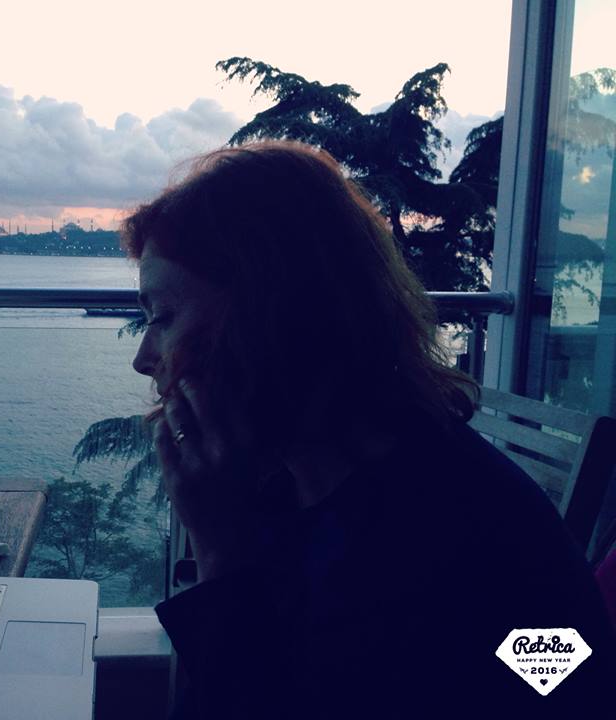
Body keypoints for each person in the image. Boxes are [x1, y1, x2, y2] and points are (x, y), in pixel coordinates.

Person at [122, 141, 616, 718]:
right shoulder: (317, 478)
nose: (144, 356)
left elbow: (558, 674)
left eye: (162, 316)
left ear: (270, 317)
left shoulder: (452, 536)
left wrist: (221, 551)